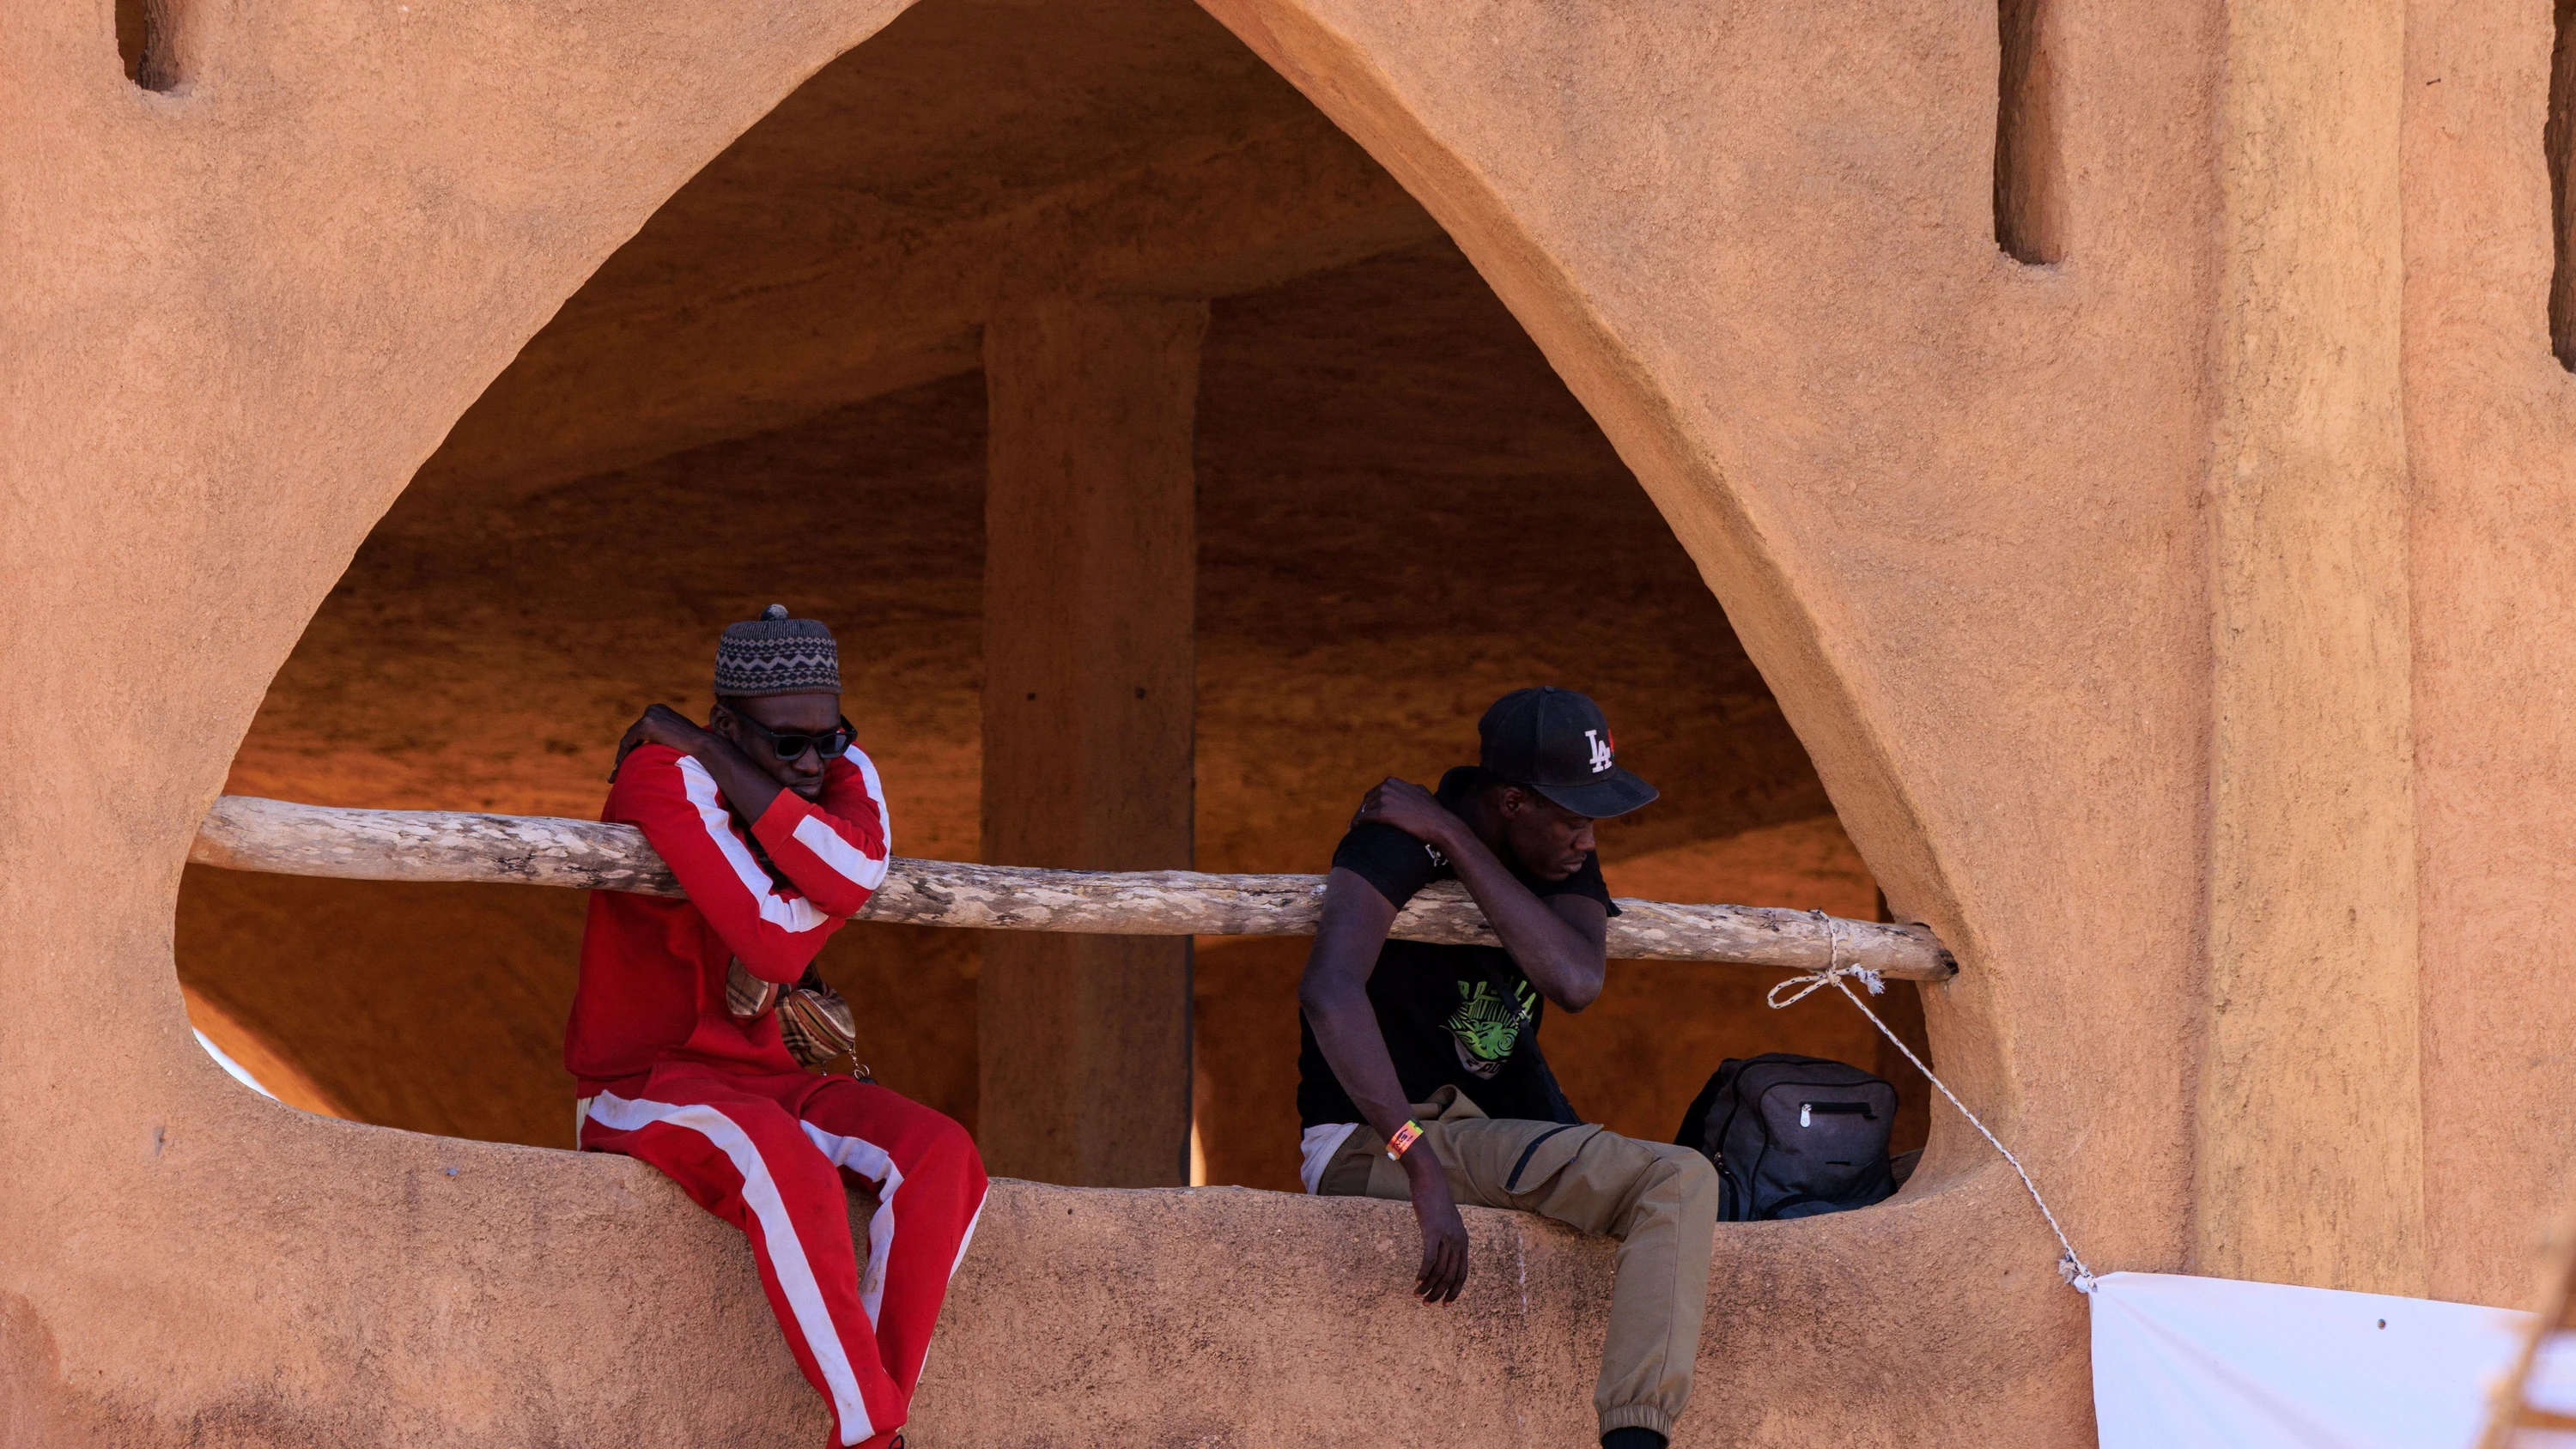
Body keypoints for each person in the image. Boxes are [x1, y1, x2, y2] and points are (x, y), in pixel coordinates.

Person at [566, 604, 985, 1449]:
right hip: (644, 1082)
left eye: (828, 740)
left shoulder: (818, 760)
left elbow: (856, 867)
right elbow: (774, 939)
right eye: (783, 744)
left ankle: (872, 1418)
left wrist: (731, 756)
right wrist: (716, 768)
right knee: (778, 1157)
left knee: (945, 1154)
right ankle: (875, 1434)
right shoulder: (661, 776)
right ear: (725, 721)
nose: (812, 762)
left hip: (779, 1075)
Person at [1296, 687, 1720, 1449]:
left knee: (1687, 1178)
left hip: (1490, 1135)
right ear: (1515, 801)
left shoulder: (1551, 855)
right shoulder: (1394, 840)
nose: (1587, 840)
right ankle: (1637, 1439)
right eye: (1572, 815)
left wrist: (1458, 842)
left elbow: (1576, 980)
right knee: (1676, 1178)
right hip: (1378, 1139)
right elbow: (1328, 993)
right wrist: (1418, 1165)